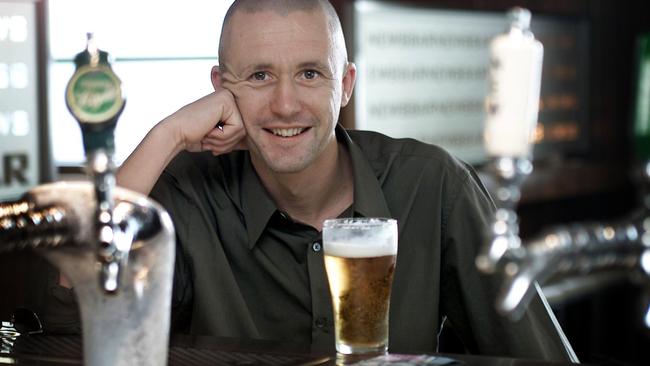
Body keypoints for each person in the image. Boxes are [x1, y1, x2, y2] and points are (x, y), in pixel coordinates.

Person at [46, 0, 578, 361]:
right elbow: (78, 302)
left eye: (310, 73)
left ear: (344, 84)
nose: (284, 104)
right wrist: (168, 133)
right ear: (219, 87)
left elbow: (540, 355)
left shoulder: (433, 184)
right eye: (258, 76)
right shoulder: (188, 191)